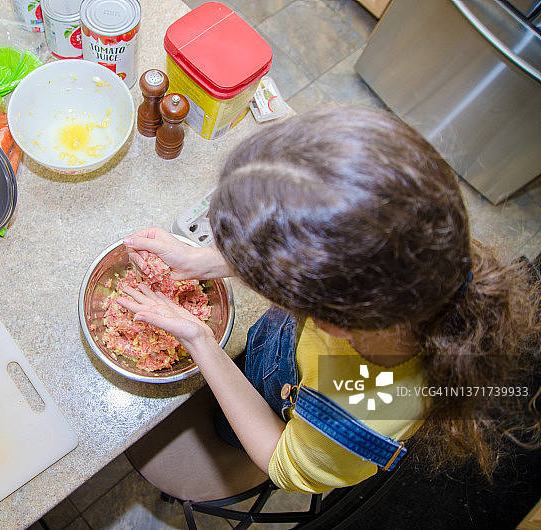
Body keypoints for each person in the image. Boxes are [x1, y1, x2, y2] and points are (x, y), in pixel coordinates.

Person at [117, 107, 541, 494]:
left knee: (228, 428)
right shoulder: (416, 254)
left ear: (325, 318)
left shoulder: (361, 411)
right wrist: (203, 262)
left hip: (279, 410)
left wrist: (199, 339)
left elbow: (278, 461)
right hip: (285, 353)